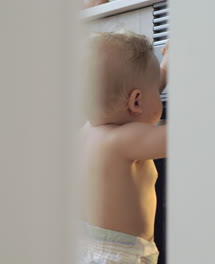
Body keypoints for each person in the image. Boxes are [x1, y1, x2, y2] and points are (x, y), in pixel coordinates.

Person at [80, 30, 168, 264]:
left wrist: (166, 70)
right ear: (136, 101)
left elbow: (135, 96)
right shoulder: (126, 139)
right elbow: (188, 137)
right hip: (123, 257)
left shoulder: (89, 131)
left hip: (85, 246)